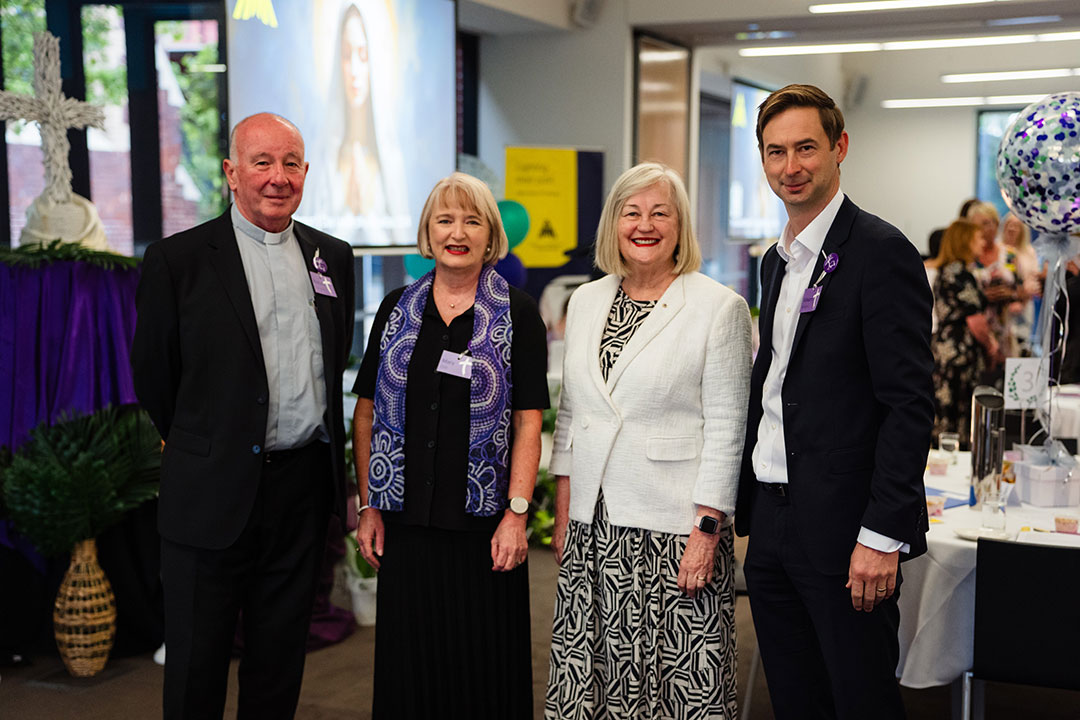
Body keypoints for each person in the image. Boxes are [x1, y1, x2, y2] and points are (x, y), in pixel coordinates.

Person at [132, 113, 355, 719]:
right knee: (196, 669)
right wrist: (209, 443)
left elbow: (332, 367)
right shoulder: (178, 261)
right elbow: (155, 376)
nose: (278, 177)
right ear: (232, 173)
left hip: (301, 493)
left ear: (306, 172)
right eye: (262, 162)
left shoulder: (333, 257)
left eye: (291, 163)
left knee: (279, 664)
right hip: (211, 492)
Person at [735, 84, 934, 720]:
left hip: (849, 528)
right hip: (772, 523)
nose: (790, 167)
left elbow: (909, 405)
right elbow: (779, 387)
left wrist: (882, 535)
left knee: (861, 700)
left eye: (806, 149)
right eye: (775, 152)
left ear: (839, 148)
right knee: (795, 699)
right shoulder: (777, 262)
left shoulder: (880, 252)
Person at [545, 162, 752, 719]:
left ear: (680, 225)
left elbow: (729, 428)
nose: (645, 224)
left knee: (677, 686)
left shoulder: (718, 308)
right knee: (594, 677)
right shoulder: (586, 301)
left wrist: (709, 530)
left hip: (676, 530)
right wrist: (565, 513)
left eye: (660, 212)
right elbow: (570, 417)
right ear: (613, 225)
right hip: (595, 528)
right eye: (631, 212)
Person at [352, 172, 548, 719]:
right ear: (427, 232)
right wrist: (369, 503)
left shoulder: (518, 312)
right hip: (406, 524)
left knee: (481, 670)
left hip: (483, 531)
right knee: (409, 670)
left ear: (490, 236)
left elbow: (528, 422)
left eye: (471, 220)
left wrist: (516, 515)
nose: (456, 232)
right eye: (444, 220)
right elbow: (365, 412)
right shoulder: (396, 308)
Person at [928, 220, 997, 446]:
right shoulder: (959, 274)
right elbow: (975, 320)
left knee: (946, 409)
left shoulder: (950, 271)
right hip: (959, 352)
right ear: (965, 241)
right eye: (978, 238)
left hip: (947, 350)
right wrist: (991, 345)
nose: (982, 243)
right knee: (958, 411)